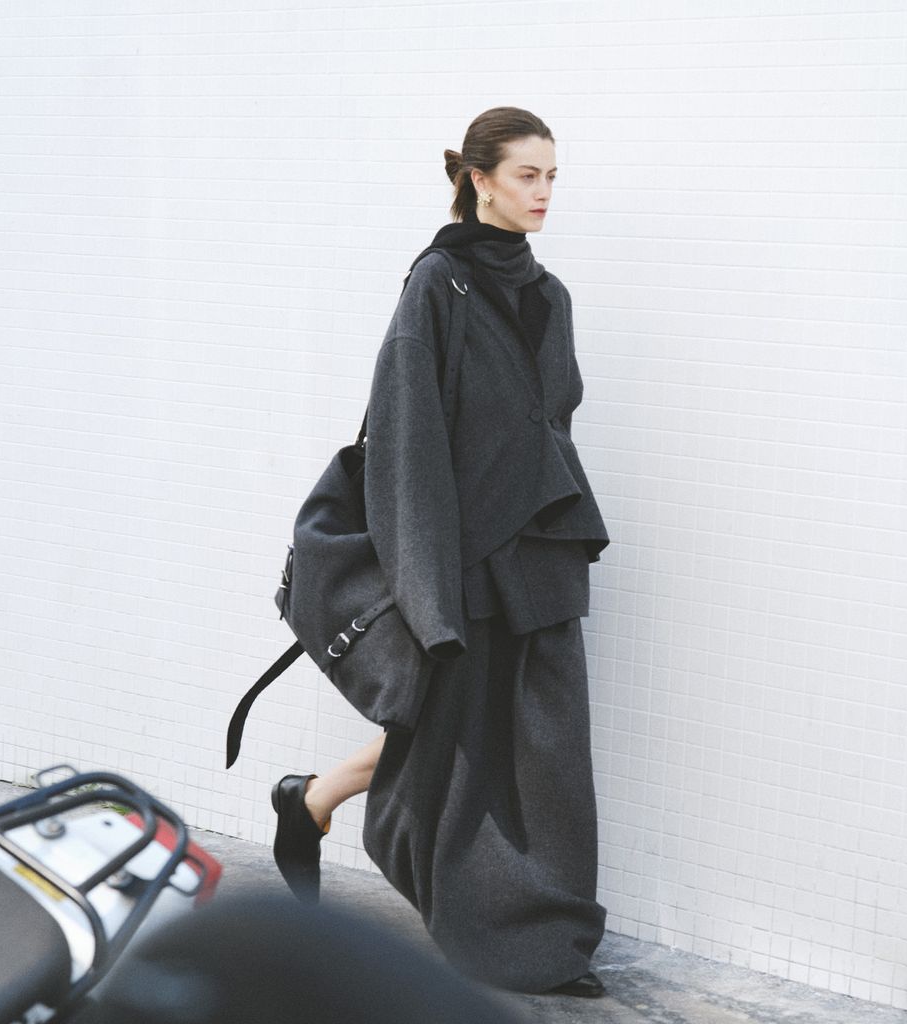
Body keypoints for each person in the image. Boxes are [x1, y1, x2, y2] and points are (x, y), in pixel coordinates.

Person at [269, 107, 611, 999]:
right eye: (527, 175)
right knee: (459, 733)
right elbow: (407, 443)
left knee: (547, 751)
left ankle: (544, 930)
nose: (542, 193)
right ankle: (509, 937)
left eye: (552, 177)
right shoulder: (436, 287)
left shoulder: (551, 295)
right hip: (461, 559)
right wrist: (426, 591)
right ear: (480, 179)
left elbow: (552, 422)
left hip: (539, 548)